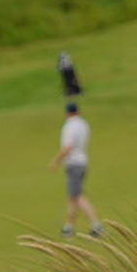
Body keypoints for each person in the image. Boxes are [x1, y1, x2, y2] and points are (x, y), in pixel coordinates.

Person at [49, 101, 104, 238]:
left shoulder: (69, 126)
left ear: (67, 113)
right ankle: (68, 228)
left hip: (73, 164)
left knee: (78, 196)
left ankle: (96, 225)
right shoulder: (83, 124)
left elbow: (67, 148)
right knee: (73, 197)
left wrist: (56, 161)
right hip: (83, 162)